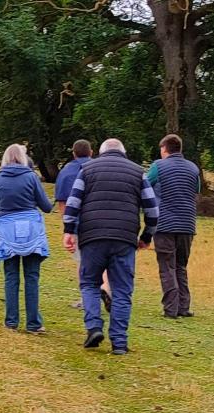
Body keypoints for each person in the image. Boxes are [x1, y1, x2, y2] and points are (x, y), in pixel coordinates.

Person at [63, 138, 159, 355]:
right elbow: (153, 211)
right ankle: (119, 342)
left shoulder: (87, 170)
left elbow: (73, 203)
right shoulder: (138, 172)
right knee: (122, 289)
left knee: (89, 283)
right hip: (124, 238)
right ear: (123, 152)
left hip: (92, 235)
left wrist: (69, 230)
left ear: (100, 152)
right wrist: (146, 236)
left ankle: (94, 327)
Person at [0, 144, 53, 333]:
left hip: (7, 229)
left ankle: (11, 321)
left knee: (11, 276)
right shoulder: (31, 177)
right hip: (31, 229)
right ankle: (33, 323)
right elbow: (46, 206)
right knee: (31, 276)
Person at [146, 134, 201, 319]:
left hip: (164, 224)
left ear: (164, 149)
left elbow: (145, 186)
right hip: (187, 224)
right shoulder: (193, 168)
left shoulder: (158, 166)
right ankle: (183, 306)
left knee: (167, 266)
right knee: (181, 265)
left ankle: (170, 308)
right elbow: (196, 192)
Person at [54, 139, 111, 310]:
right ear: (91, 152)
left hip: (79, 223)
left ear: (73, 153)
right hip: (101, 220)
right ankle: (106, 288)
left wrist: (67, 227)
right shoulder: (101, 168)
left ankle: (86, 298)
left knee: (82, 261)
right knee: (103, 259)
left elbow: (63, 202)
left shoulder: (66, 172)